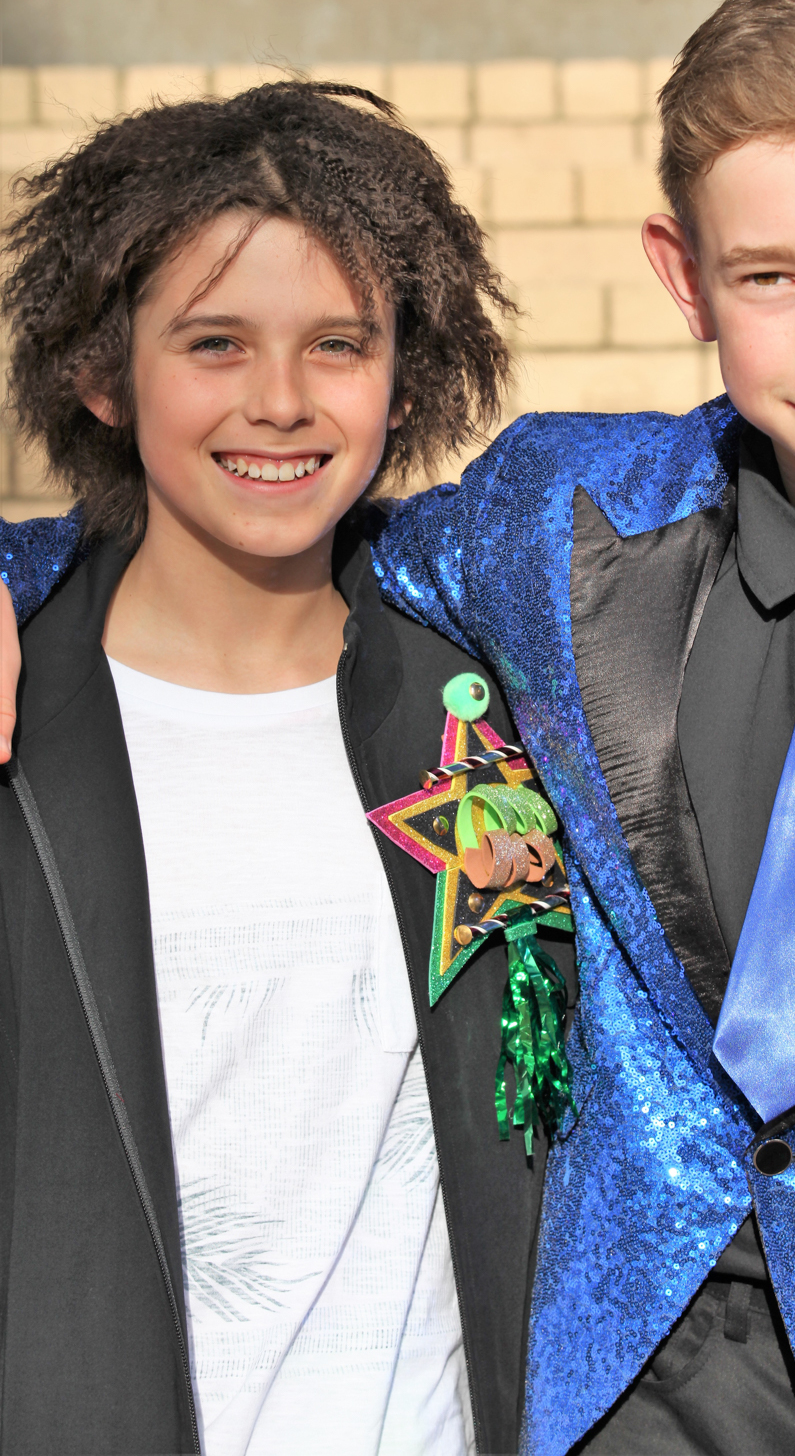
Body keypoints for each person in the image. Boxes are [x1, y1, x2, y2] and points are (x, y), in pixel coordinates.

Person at [4, 0, 795, 1455]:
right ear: (683, 277)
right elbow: (278, 529)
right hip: (608, 1404)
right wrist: (14, 571)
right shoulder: (557, 527)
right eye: (769, 278)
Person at [0, 81, 574, 1456]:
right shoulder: (22, 719)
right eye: (215, 343)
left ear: (406, 374)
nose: (280, 402)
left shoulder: (503, 689)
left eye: (338, 344)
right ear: (101, 373)